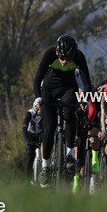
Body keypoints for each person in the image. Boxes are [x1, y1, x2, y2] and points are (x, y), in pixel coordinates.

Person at [33, 34, 90, 185]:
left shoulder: (78, 56)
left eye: (68, 58)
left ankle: (70, 154)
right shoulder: (49, 54)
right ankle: (45, 167)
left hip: (68, 89)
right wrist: (38, 98)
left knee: (71, 113)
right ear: (57, 53)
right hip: (49, 90)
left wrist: (84, 98)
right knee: (50, 128)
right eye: (62, 58)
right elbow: (38, 79)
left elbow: (86, 82)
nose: (65, 62)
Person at [22, 97, 44, 183]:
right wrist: (27, 141)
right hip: (30, 135)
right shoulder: (30, 113)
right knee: (30, 157)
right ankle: (28, 180)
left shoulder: (45, 113)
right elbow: (24, 128)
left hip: (41, 135)